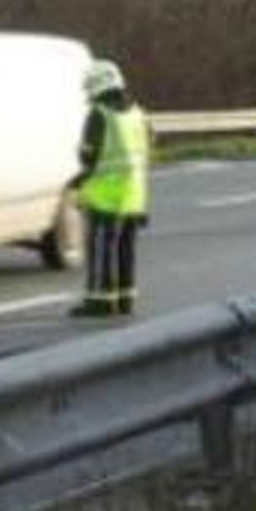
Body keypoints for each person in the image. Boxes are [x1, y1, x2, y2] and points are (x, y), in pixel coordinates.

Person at [70, 59, 152, 318]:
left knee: (101, 249)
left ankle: (100, 301)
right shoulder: (138, 113)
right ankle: (125, 298)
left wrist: (78, 181)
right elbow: (149, 143)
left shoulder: (100, 114)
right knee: (126, 249)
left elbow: (88, 156)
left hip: (106, 196)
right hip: (135, 195)